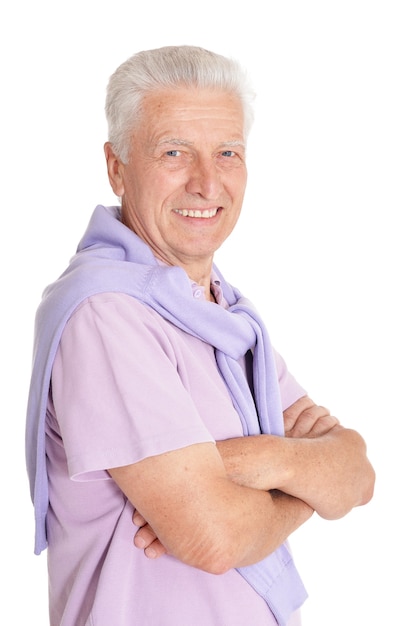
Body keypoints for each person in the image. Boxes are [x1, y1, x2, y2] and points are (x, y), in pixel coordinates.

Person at [25, 45, 375, 626]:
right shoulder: (107, 314)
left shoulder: (222, 314)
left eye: (228, 153)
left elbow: (357, 475)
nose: (206, 182)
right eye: (173, 152)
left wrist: (258, 461)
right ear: (117, 167)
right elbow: (214, 538)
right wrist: (300, 473)